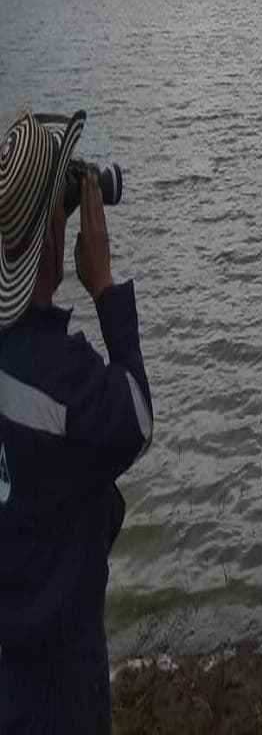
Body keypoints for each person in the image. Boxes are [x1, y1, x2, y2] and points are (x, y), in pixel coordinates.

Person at [0, 109, 153, 732]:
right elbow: (136, 418)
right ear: (52, 231)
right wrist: (106, 287)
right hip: (60, 681)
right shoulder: (59, 379)